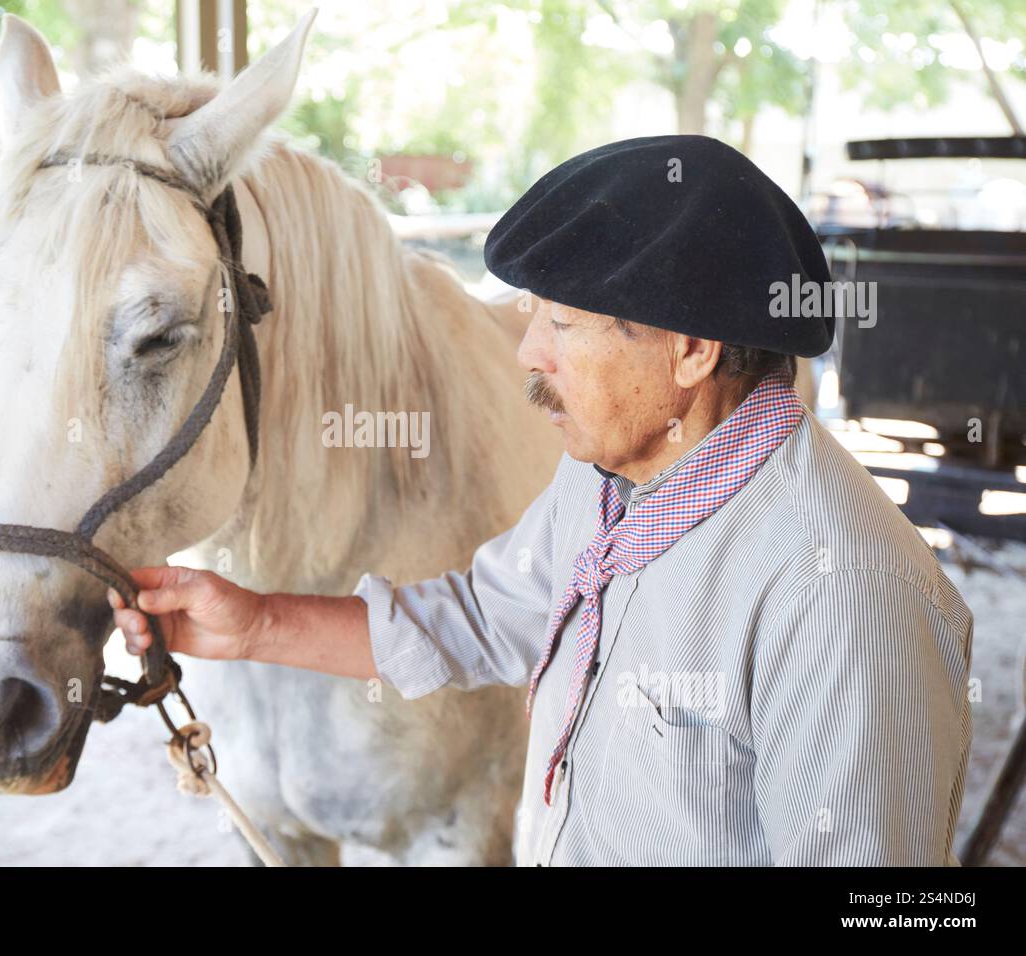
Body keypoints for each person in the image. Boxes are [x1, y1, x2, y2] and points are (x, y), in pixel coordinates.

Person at [108, 135, 973, 866]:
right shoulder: (613, 476)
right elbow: (485, 620)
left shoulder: (845, 596)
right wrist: (253, 623)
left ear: (692, 351)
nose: (527, 353)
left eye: (560, 324)